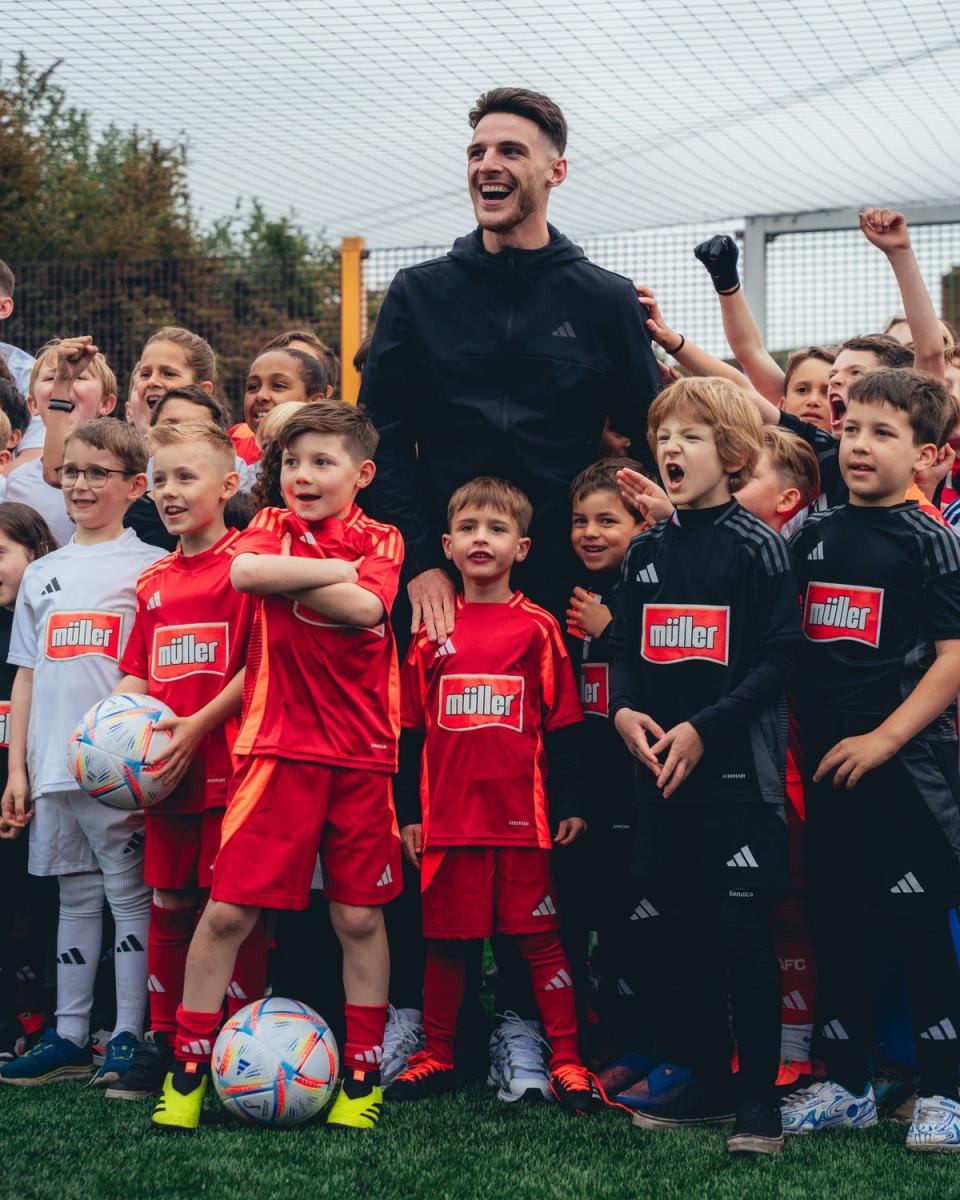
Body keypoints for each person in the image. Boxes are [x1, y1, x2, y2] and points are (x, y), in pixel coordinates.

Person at [150, 400, 404, 1133]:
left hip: (361, 756)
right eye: (292, 462)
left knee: (358, 916)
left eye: (322, 463)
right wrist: (328, 570)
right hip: (273, 750)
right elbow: (248, 576)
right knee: (227, 911)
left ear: (362, 474)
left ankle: (361, 1077)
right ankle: (188, 1071)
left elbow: (365, 611)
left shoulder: (383, 537)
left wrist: (307, 576)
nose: (303, 475)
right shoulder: (267, 527)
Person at [361, 86, 661, 640]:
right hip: (443, 587)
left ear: (557, 171)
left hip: (568, 587)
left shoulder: (605, 300)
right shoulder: (416, 294)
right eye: (477, 153)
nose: (488, 165)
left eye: (510, 152)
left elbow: (648, 442)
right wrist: (421, 561)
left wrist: (610, 558)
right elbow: (382, 443)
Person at [610, 377, 801, 1156]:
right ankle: (703, 1080)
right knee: (677, 930)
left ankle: (759, 1105)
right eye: (663, 436)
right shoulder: (648, 548)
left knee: (742, 935)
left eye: (688, 436)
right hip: (662, 780)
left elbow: (781, 660)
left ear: (728, 452)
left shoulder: (758, 549)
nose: (670, 449)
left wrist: (704, 729)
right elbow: (623, 646)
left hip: (736, 783)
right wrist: (624, 710)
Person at [784, 369, 960, 1153]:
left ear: (927, 457)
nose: (858, 445)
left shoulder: (932, 539)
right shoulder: (812, 535)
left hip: (906, 772)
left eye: (882, 434)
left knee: (922, 930)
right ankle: (849, 1084)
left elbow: (954, 660)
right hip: (827, 773)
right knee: (839, 925)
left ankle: (946, 1093)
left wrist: (886, 738)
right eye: (851, 429)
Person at [389, 477, 600, 1112]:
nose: (483, 539)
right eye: (471, 529)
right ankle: (439, 1053)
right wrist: (409, 815)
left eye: (498, 529)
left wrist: (569, 804)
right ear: (447, 546)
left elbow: (563, 724)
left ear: (524, 547)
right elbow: (410, 731)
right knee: (447, 942)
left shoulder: (536, 628)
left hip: (522, 822)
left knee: (540, 942)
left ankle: (566, 1059)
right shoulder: (429, 630)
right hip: (449, 822)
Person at [0, 420, 165, 1086]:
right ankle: (70, 1035)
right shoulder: (44, 572)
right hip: (49, 767)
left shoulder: (150, 566)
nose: (81, 483)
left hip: (114, 769)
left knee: (129, 896)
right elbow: (28, 673)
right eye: (72, 470)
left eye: (100, 473)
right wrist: (17, 768)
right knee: (74, 894)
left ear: (133, 486)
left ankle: (127, 1032)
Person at [102, 421, 261, 1100]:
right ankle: (165, 1040)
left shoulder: (246, 567)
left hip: (231, 767)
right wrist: (113, 739)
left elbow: (257, 669)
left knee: (234, 907)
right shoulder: (154, 579)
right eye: (161, 479)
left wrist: (195, 727)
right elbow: (136, 676)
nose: (169, 491)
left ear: (228, 486)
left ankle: (238, 1037)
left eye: (185, 478)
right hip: (166, 775)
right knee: (169, 902)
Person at [560, 458, 653, 1078]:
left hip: (637, 790)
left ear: (642, 522)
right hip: (587, 788)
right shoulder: (571, 590)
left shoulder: (650, 584)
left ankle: (632, 1035)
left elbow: (669, 661)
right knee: (574, 905)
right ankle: (576, 1027)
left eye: (607, 521)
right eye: (579, 521)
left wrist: (611, 627)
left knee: (632, 920)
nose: (590, 533)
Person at [0, 504, 58, 1061]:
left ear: (37, 555)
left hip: (40, 794)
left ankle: (44, 1013)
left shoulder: (48, 629)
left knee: (43, 905)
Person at [5, 338, 118, 546]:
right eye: (51, 378)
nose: (62, 384)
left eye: (80, 377)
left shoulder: (125, 468)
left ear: (106, 403)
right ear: (33, 405)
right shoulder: (15, 484)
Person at [229, 347, 328, 467]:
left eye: (278, 386)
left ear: (314, 402)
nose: (260, 396)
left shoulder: (335, 460)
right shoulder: (230, 451)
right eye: (252, 386)